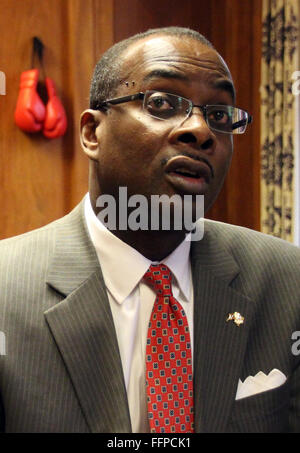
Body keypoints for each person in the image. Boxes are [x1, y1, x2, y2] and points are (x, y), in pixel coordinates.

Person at [0, 26, 299, 434]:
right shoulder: (6, 286)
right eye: (161, 103)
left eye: (219, 115)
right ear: (92, 133)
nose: (201, 130)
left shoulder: (287, 281)